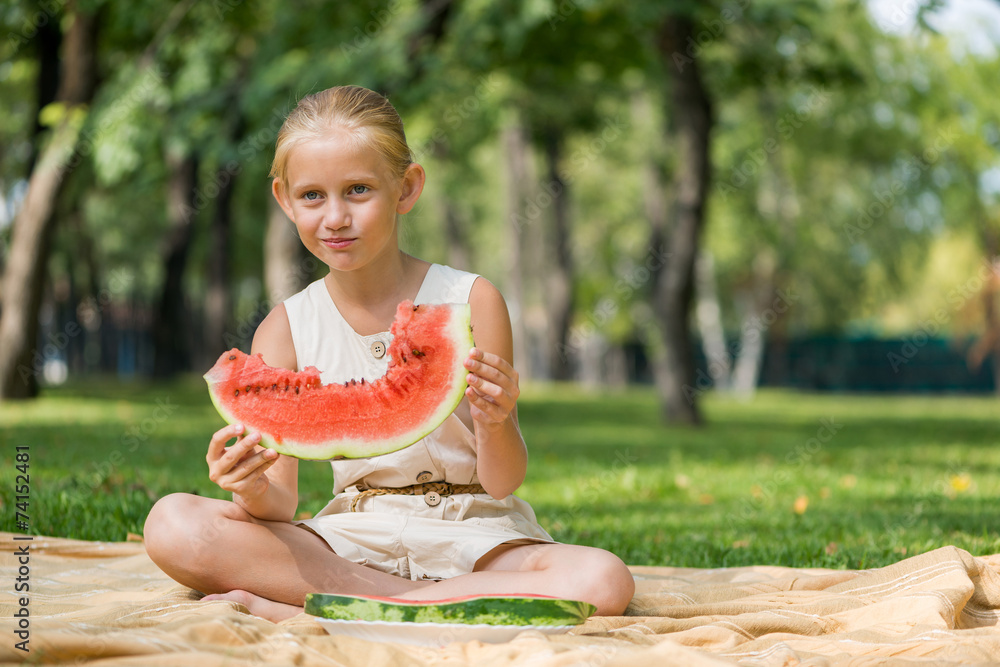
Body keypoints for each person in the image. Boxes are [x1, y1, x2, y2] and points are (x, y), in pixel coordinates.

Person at [143, 85, 635, 623]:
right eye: (312, 196)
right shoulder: (286, 328)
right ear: (284, 200)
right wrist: (251, 484)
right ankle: (399, 604)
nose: (334, 217)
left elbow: (502, 481)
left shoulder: (469, 303)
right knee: (172, 523)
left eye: (358, 190)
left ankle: (313, 608)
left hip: (475, 536)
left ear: (407, 187)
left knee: (604, 580)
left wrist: (496, 423)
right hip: (349, 538)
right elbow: (279, 505)